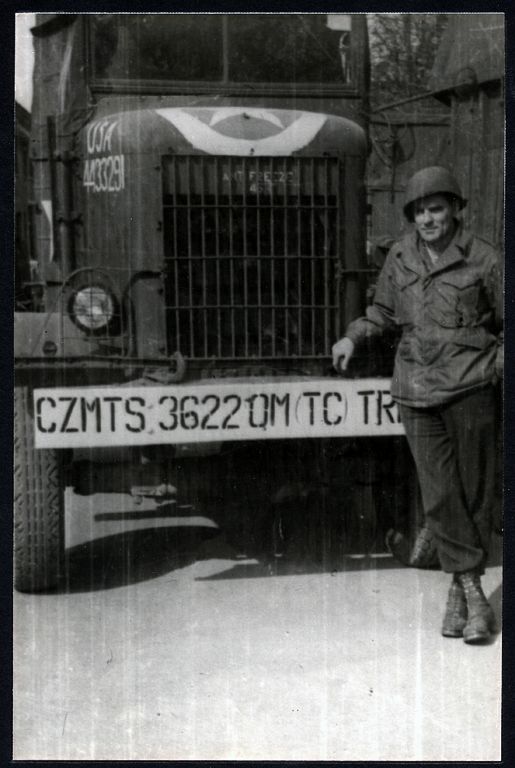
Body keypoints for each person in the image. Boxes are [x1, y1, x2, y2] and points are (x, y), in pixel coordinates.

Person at [332, 166, 503, 644]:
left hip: (470, 389)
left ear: (454, 210)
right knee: (441, 494)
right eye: (420, 211)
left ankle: (459, 595)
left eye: (436, 208)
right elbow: (383, 312)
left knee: (474, 495)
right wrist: (352, 337)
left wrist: (496, 368)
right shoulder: (401, 257)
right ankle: (473, 594)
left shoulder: (485, 258)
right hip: (415, 391)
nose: (428, 219)